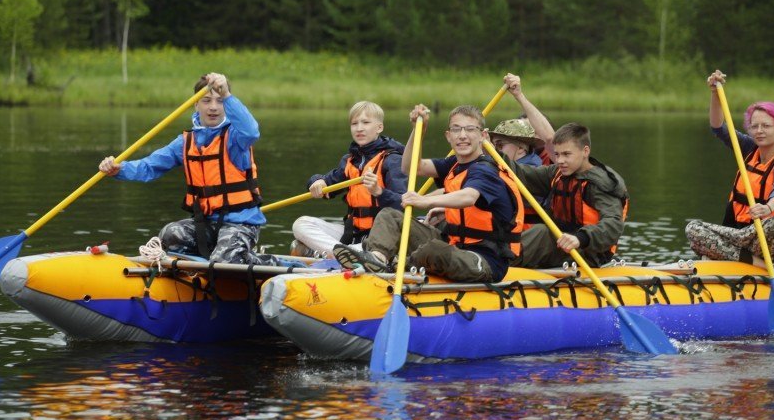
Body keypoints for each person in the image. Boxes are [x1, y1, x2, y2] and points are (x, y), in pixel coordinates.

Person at [98, 72, 280, 265]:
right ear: (196, 104)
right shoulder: (185, 142)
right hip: (207, 224)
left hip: (241, 224)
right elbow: (149, 166)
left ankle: (268, 263)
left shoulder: (236, 137)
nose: (213, 107)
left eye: (219, 101)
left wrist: (227, 94)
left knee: (224, 260)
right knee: (168, 235)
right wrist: (119, 169)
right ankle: (207, 264)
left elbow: (252, 131)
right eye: (206, 100)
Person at [333, 104, 524, 283]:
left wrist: (425, 201)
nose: (462, 135)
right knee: (390, 215)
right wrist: (418, 131)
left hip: (485, 259)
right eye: (456, 129)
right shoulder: (453, 165)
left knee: (435, 250)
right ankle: (377, 258)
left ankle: (397, 265)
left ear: (482, 135)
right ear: (448, 136)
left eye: (470, 129)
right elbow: (410, 167)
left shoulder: (486, 170)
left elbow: (468, 197)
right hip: (454, 243)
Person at [684, 69, 774, 275]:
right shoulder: (749, 148)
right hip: (743, 237)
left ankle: (765, 263)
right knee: (693, 229)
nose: (759, 130)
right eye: (755, 126)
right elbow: (718, 127)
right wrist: (715, 93)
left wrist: (769, 207)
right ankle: (759, 266)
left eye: (766, 126)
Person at [504, 123, 629, 268]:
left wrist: (580, 238)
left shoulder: (601, 184)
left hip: (589, 253)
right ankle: (495, 256)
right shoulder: (557, 173)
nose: (559, 160)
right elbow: (521, 173)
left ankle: (499, 262)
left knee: (543, 233)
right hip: (562, 245)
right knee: (537, 231)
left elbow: (613, 225)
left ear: (585, 151)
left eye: (566, 154)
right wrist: (486, 154)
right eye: (556, 154)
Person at [291, 101, 407, 257]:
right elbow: (328, 182)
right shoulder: (350, 161)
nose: (359, 128)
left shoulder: (392, 159)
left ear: (379, 127)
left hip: (380, 239)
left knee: (301, 245)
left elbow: (402, 202)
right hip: (353, 234)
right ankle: (345, 254)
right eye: (354, 123)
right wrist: (317, 181)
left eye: (365, 122)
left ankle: (344, 255)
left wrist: (378, 191)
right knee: (301, 224)